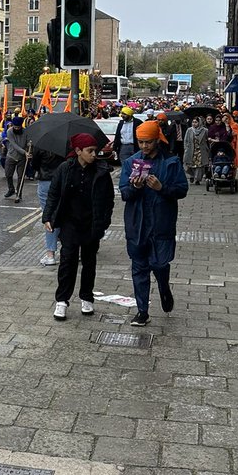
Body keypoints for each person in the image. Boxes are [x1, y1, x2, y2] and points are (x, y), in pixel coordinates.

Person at [120, 120, 189, 327]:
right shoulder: (131, 163)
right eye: (140, 142)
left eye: (148, 142)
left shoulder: (171, 162)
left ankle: (163, 285)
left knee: (159, 263)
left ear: (157, 140)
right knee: (139, 268)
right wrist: (134, 187)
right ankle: (142, 311)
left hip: (161, 223)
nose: (144, 147)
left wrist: (162, 187)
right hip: (137, 224)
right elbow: (124, 193)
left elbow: (182, 190)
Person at [43, 134, 114, 320]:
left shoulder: (101, 170)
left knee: (89, 262)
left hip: (91, 223)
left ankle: (87, 298)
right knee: (68, 262)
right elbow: (53, 194)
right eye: (89, 151)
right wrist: (47, 217)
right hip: (69, 222)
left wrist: (105, 221)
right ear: (78, 151)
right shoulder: (65, 168)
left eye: (94, 150)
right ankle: (62, 301)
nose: (93, 154)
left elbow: (108, 199)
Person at [31, 142, 64, 265]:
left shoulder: (41, 143)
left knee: (49, 217)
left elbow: (34, 164)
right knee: (63, 213)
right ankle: (70, 249)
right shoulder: (65, 142)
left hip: (45, 182)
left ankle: (50, 255)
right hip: (61, 181)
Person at [2, 116, 28, 199]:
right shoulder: (9, 131)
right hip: (11, 155)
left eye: (18, 127)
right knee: (8, 174)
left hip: (22, 158)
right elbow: (14, 145)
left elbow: (28, 142)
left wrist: (29, 147)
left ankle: (19, 193)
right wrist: (24, 152)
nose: (16, 128)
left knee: (21, 176)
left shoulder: (26, 132)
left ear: (21, 126)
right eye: (15, 127)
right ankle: (11, 189)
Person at [183, 115, 209, 185]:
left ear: (199, 123)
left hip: (200, 151)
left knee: (199, 166)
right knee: (189, 165)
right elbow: (186, 140)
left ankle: (197, 179)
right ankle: (192, 175)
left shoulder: (205, 130)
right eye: (193, 122)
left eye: (196, 122)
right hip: (191, 150)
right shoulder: (189, 130)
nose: (194, 124)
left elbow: (207, 140)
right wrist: (185, 148)